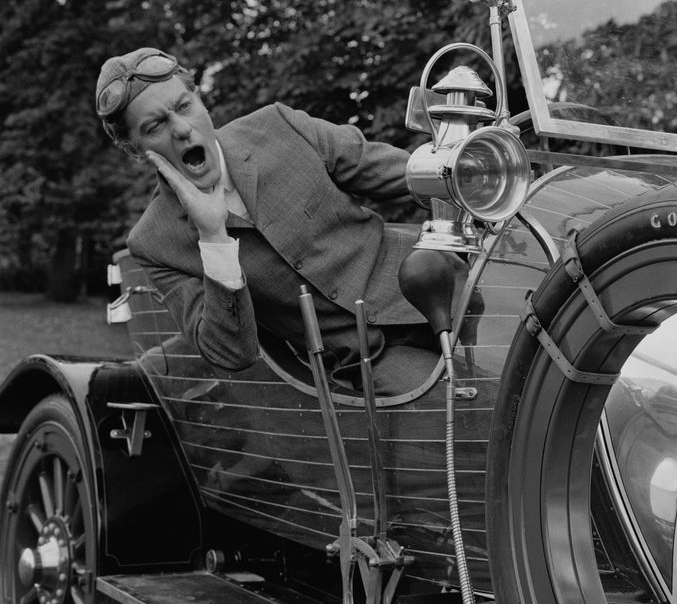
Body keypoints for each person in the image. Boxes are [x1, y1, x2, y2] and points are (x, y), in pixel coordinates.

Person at [96, 47, 439, 396]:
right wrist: (213, 236)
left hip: (442, 288)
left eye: (185, 107)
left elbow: (401, 172)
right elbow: (231, 354)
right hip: (374, 359)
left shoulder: (279, 125)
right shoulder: (153, 242)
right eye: (155, 126)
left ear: (201, 101)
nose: (182, 129)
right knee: (468, 409)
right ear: (136, 150)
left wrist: (468, 170)